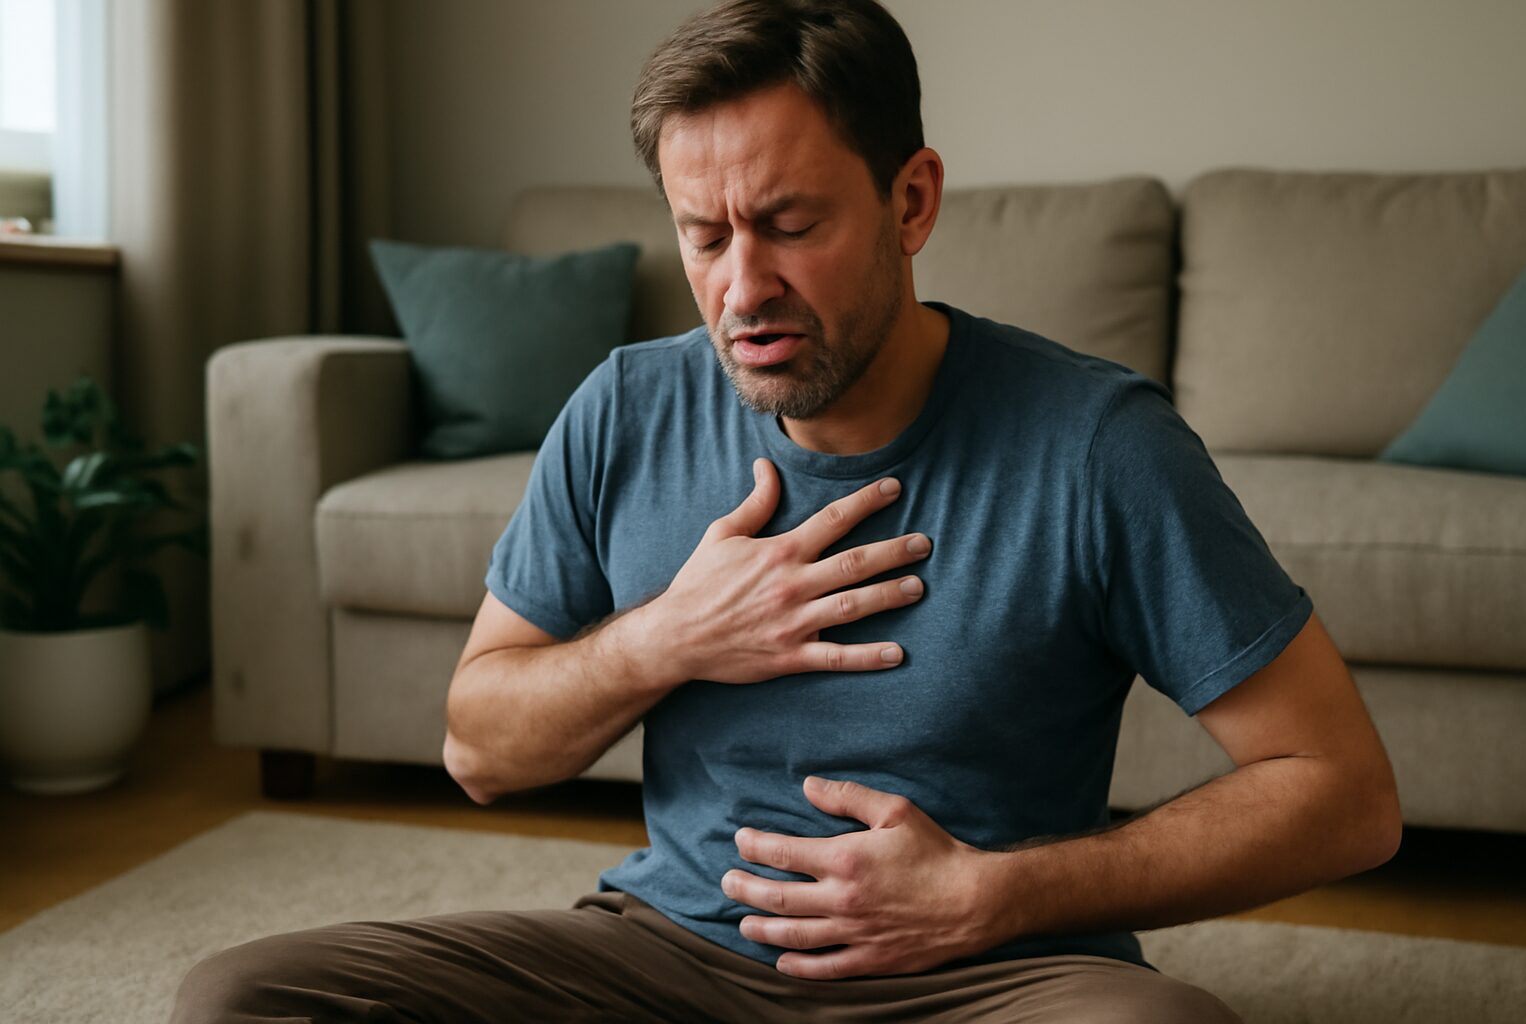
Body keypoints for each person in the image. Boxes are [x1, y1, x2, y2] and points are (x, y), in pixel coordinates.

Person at [172, 1, 1402, 1020]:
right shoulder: (624, 408)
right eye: (702, 235)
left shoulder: (1096, 445)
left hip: (980, 976)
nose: (740, 288)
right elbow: (479, 750)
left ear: (911, 203)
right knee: (244, 998)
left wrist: (991, 895)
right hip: (668, 960)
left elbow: (1342, 794)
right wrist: (666, 637)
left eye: (789, 225)